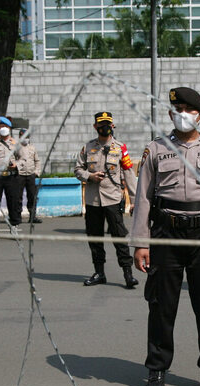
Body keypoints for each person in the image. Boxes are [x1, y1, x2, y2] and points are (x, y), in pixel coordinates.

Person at [131, 87, 200, 386]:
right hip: (166, 232)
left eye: (189, 110)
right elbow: (143, 197)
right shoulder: (156, 149)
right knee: (161, 307)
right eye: (177, 110)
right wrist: (141, 242)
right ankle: (156, 370)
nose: (183, 115)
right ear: (170, 114)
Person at [74, 111, 138, 288]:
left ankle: (128, 273)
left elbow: (129, 174)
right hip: (93, 200)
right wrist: (90, 176)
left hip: (113, 199)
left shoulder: (120, 148)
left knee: (119, 237)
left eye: (108, 124)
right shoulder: (87, 148)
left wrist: (134, 199)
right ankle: (99, 272)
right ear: (95, 127)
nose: (105, 127)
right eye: (101, 124)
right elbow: (78, 170)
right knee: (95, 238)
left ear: (113, 125)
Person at [15, 127, 42, 224]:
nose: (25, 138)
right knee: (18, 197)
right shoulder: (16, 147)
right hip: (20, 175)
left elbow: (37, 161)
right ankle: (17, 217)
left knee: (32, 196)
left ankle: (32, 216)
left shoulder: (32, 148)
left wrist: (36, 172)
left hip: (31, 175)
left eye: (27, 136)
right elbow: (12, 160)